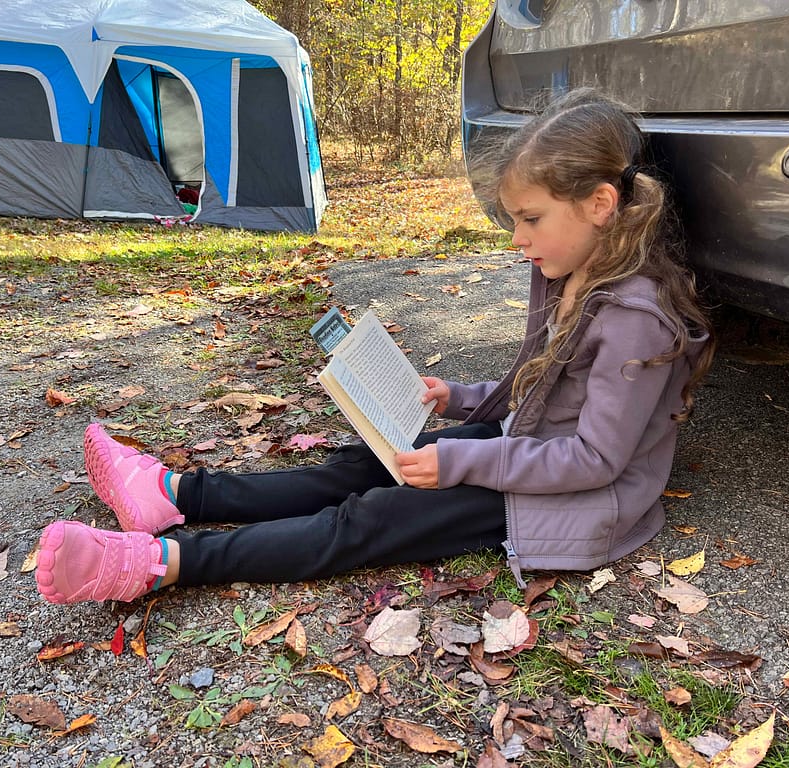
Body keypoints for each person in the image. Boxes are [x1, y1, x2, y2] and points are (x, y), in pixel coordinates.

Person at [35, 89, 715, 605]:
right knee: (365, 464)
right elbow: (539, 390)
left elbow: (594, 459)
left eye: (530, 219)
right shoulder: (570, 269)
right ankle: (176, 493)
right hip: (524, 455)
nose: (517, 239)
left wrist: (460, 462)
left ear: (600, 204)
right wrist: (463, 400)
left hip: (568, 499)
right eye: (514, 220)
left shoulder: (636, 317)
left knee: (370, 518)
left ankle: (163, 564)